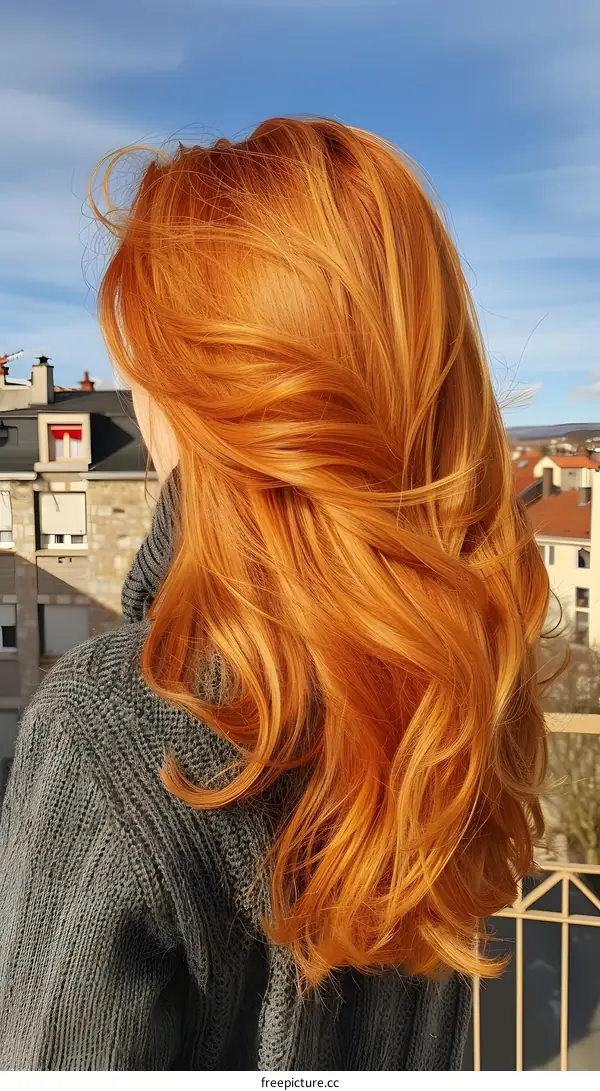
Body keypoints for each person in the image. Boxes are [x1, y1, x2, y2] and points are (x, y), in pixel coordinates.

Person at [0, 116, 556, 1071]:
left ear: (211, 399)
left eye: (150, 360)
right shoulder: (458, 676)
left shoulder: (112, 725)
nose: (136, 397)